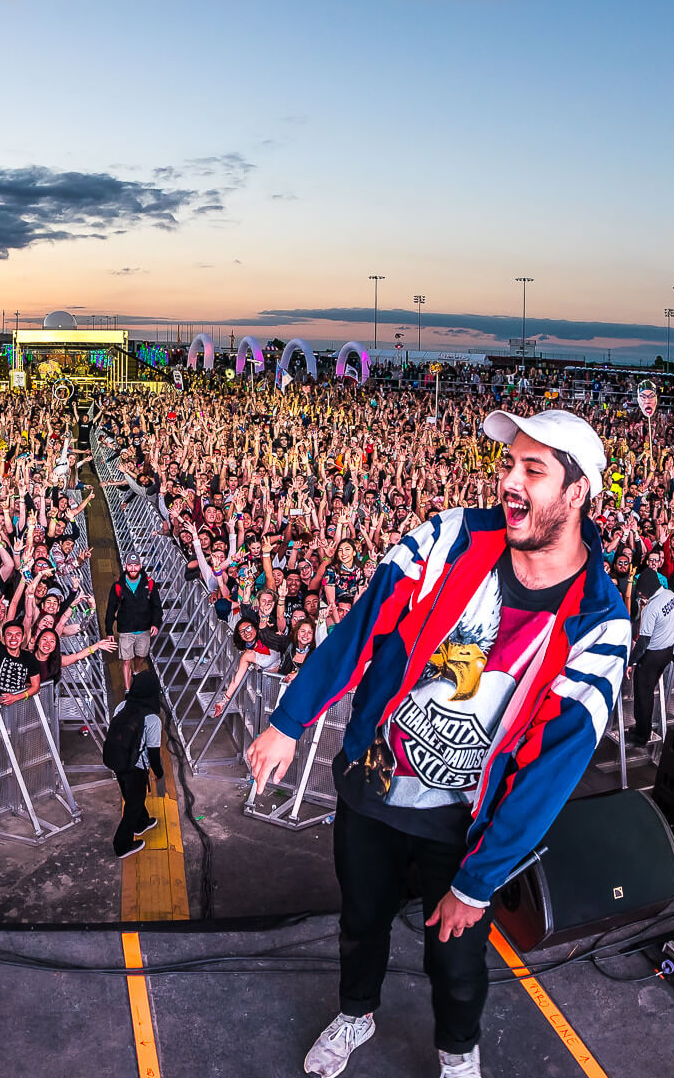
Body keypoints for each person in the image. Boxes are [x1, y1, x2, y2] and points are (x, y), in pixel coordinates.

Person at [245, 409, 630, 1078]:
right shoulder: (451, 535)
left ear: (577, 494)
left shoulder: (600, 623)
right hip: (375, 786)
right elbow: (364, 624)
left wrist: (477, 884)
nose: (509, 480)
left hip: (463, 827)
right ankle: (357, 1011)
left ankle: (457, 1049)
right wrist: (289, 719)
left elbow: (548, 774)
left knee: (456, 959)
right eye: (508, 463)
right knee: (360, 921)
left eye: (532, 470)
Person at [105, 658, 164, 859]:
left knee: (132, 797)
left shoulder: (122, 706)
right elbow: (154, 752)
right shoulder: (152, 719)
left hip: (118, 761)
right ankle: (122, 845)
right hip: (136, 767)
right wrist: (159, 773)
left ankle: (142, 823)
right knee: (133, 804)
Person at [628, 569, 674, 761]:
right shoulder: (670, 595)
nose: (640, 594)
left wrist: (631, 662)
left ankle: (642, 735)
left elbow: (642, 642)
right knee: (648, 693)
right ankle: (642, 727)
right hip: (667, 651)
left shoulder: (651, 608)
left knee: (644, 695)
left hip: (652, 655)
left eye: (641, 591)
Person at [104, 554, 162, 663]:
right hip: (125, 629)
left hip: (144, 629)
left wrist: (155, 623)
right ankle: (127, 680)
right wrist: (109, 631)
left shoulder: (149, 583)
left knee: (141, 656)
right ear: (125, 566)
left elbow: (157, 606)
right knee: (126, 661)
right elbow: (111, 609)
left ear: (140, 566)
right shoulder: (117, 586)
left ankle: (136, 674)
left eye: (136, 565)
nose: (133, 568)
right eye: (130, 565)